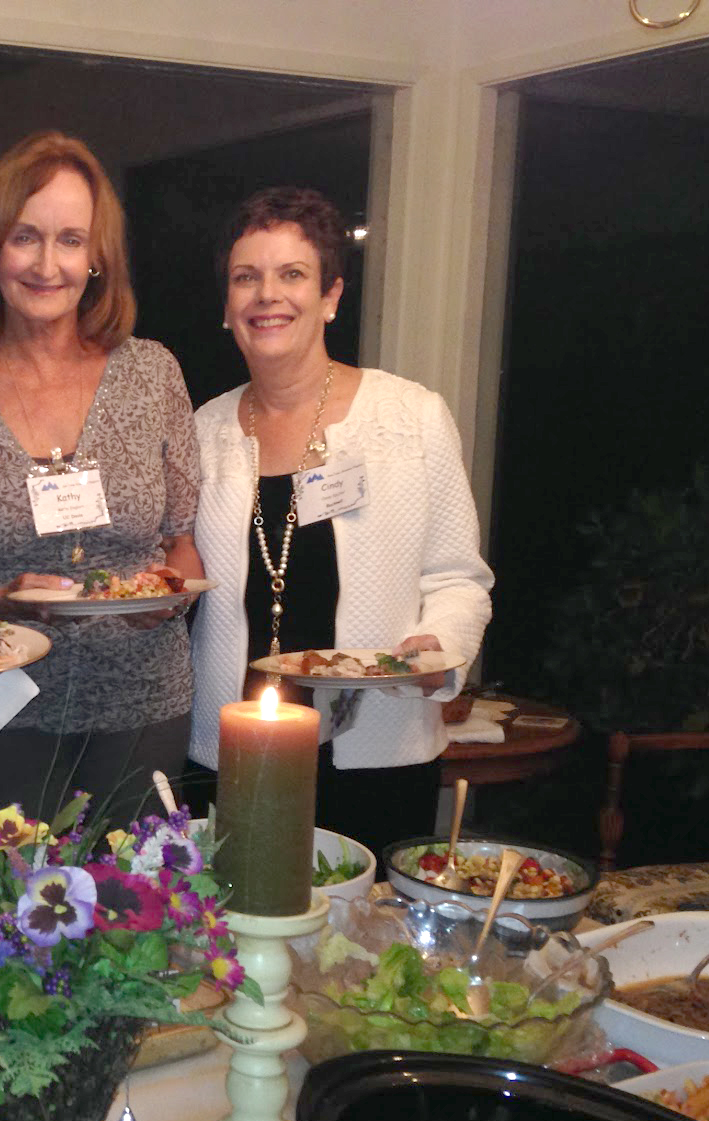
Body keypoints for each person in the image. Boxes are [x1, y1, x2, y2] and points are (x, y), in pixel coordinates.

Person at [186, 187, 492, 856]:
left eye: (292, 274)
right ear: (227, 306)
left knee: (367, 920)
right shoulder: (201, 432)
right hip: (232, 750)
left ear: (330, 296)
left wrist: (438, 646)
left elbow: (458, 579)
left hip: (378, 750)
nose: (268, 295)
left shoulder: (411, 417)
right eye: (246, 277)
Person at [0, 131, 202, 822]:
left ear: (98, 257)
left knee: (138, 890)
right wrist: (4, 599)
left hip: (143, 703)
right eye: (25, 238)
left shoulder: (152, 373)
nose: (47, 265)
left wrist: (169, 595)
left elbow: (182, 540)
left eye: (70, 240)